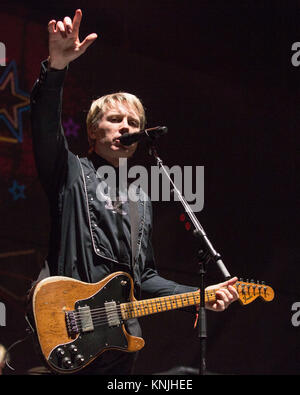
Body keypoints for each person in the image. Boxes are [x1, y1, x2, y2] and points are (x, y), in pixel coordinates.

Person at [30, 9, 238, 375]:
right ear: (93, 131)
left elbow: (143, 278)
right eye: (115, 119)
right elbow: (46, 125)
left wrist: (197, 297)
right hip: (71, 334)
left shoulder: (140, 198)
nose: (125, 126)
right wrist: (57, 66)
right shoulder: (71, 173)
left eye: (133, 122)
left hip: (119, 347)